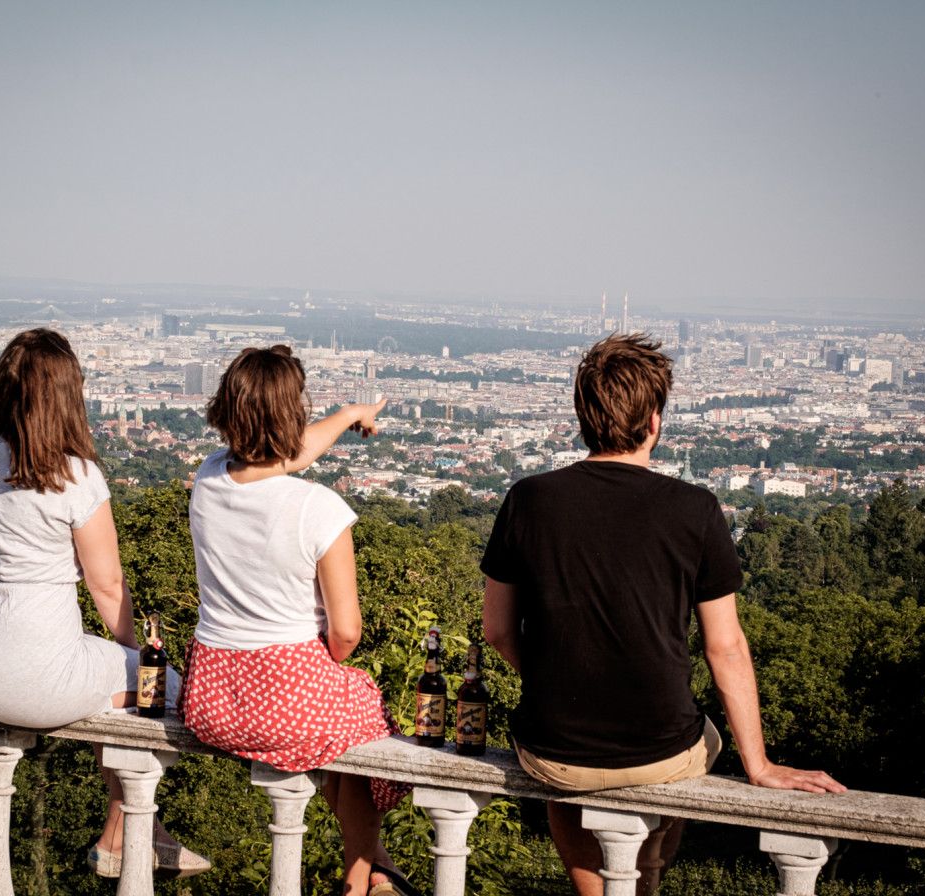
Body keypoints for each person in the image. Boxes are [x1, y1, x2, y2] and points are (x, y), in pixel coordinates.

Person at [480, 333, 845, 896]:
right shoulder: (694, 509)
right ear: (655, 421)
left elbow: (498, 630)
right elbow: (725, 647)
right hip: (660, 749)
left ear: (582, 416)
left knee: (563, 788)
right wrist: (761, 764)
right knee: (705, 743)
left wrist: (554, 682)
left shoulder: (529, 499)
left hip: (554, 749)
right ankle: (645, 876)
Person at [0, 328, 210, 880]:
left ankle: (138, 829)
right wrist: (138, 654)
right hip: (29, 674)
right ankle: (124, 828)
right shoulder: (74, 475)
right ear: (69, 396)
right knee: (162, 687)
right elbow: (106, 585)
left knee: (109, 680)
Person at [178, 345, 415, 896]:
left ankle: (376, 862)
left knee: (332, 720)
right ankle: (360, 881)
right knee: (363, 717)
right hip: (282, 697)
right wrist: (318, 666)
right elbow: (347, 632)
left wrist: (350, 414)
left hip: (209, 697)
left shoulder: (209, 480)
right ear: (293, 413)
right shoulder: (320, 510)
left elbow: (280, 461)